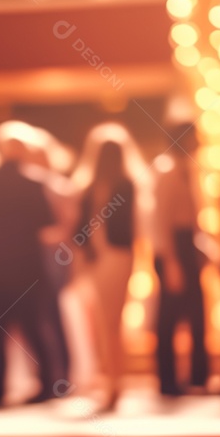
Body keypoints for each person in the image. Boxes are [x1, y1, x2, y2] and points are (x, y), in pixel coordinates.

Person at [0, 125, 63, 407]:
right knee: (36, 327)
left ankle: (0, 388)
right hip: (28, 267)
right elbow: (47, 230)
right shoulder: (33, 183)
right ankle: (48, 384)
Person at [73, 124, 141, 411]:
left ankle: (114, 382)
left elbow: (95, 227)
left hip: (109, 256)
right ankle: (112, 382)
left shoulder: (114, 186)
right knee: (107, 323)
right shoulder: (115, 185)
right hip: (110, 256)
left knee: (108, 322)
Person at [153, 121, 209, 396]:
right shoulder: (168, 171)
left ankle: (198, 376)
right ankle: (167, 380)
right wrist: (171, 261)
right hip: (173, 248)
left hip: (187, 245)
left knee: (198, 315)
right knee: (169, 317)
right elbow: (161, 220)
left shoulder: (189, 170)